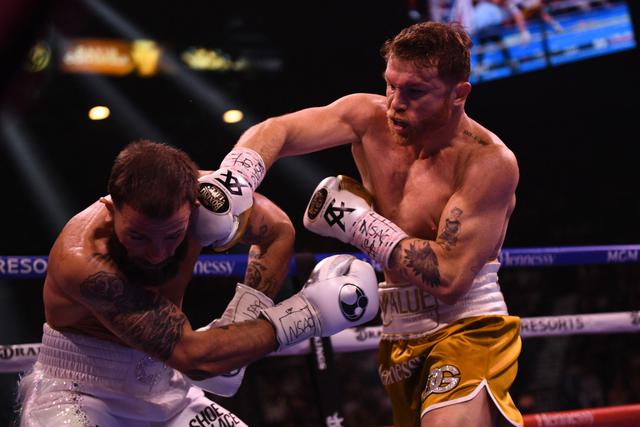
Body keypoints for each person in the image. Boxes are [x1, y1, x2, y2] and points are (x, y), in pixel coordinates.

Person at [221, 21, 523, 427]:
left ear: (458, 94)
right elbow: (279, 129)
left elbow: (450, 277)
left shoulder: (487, 162)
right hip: (398, 332)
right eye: (390, 85)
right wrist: (235, 179)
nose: (395, 103)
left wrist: (357, 222)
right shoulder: (368, 117)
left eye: (414, 92)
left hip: (467, 326)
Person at [16, 139, 379, 426]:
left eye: (173, 235)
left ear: (192, 207)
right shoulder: (83, 260)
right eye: (139, 236)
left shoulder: (208, 205)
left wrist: (243, 317)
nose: (157, 253)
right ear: (113, 211)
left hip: (165, 391)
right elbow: (191, 356)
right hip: (77, 393)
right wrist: (309, 313)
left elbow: (278, 231)